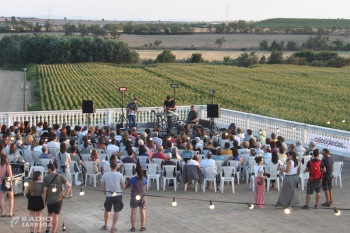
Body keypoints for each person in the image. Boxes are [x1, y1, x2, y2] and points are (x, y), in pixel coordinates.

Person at [43, 163, 71, 233]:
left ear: (49, 169)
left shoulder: (46, 178)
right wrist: (66, 194)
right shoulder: (61, 176)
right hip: (58, 199)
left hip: (49, 199)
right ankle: (54, 231)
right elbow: (69, 186)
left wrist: (44, 201)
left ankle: (47, 230)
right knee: (56, 216)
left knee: (49, 214)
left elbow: (44, 191)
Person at [101, 160, 126, 232]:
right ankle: (113, 227)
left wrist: (105, 193)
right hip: (118, 194)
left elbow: (102, 186)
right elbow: (123, 186)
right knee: (116, 211)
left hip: (109, 194)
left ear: (110, 166)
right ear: (117, 166)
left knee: (107, 210)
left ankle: (106, 225)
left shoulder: (105, 174)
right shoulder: (120, 175)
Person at [130, 165, 147, 232]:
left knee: (133, 212)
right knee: (142, 212)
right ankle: (142, 227)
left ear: (136, 171)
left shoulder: (132, 179)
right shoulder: (144, 179)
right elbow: (144, 188)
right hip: (142, 196)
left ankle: (133, 227)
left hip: (134, 196)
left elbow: (131, 189)